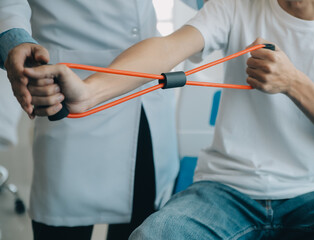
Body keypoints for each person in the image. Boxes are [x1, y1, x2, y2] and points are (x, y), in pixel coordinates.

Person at [13, 0, 314, 239]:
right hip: (225, 193)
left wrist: (294, 84)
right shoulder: (237, 4)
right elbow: (166, 49)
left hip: (313, 198)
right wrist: (89, 93)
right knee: (153, 234)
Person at [0, 1, 183, 239]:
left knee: (143, 222)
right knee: (64, 224)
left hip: (147, 96)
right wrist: (14, 40)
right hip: (69, 86)